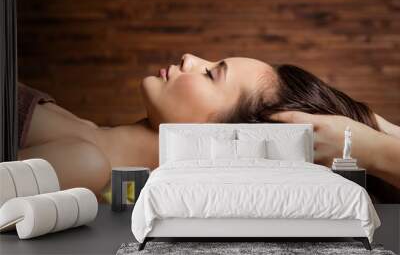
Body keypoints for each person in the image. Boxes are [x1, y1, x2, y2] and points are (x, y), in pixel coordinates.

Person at [17, 53, 400, 202]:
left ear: (231, 139)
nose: (190, 58)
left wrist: (367, 144)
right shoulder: (80, 137)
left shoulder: (85, 166)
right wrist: (366, 124)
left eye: (212, 74)